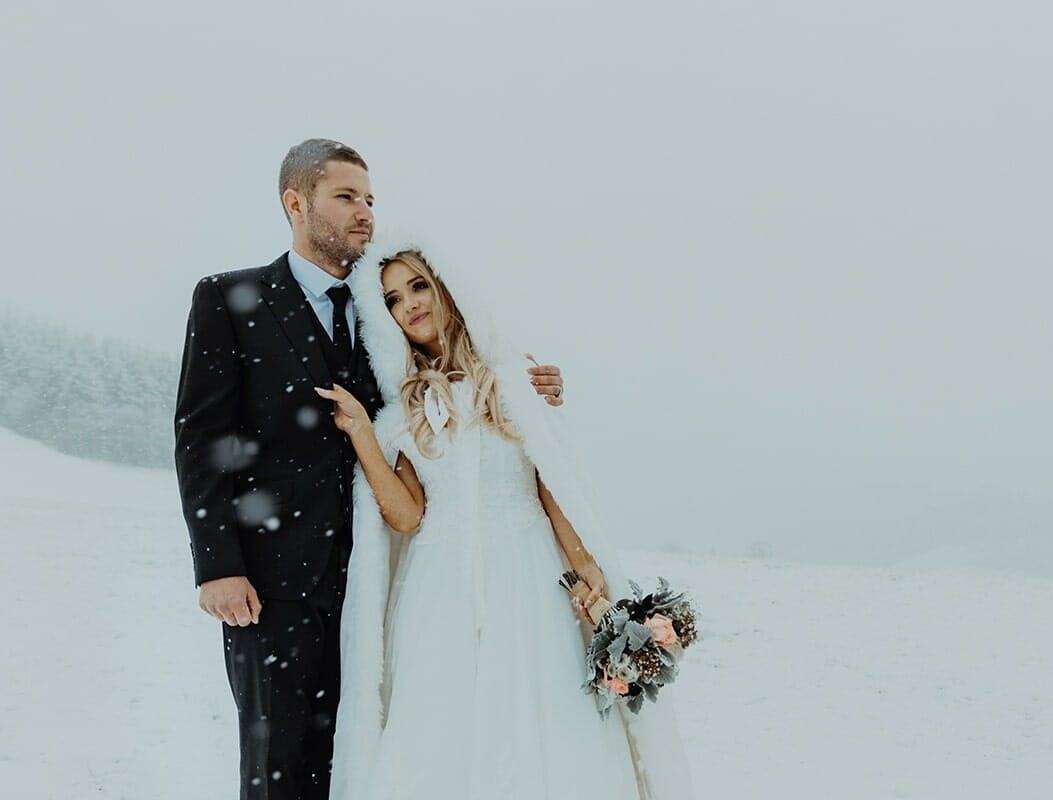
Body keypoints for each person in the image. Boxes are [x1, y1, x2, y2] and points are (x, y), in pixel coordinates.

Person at [174, 138, 564, 800]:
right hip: (273, 587)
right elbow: (202, 437)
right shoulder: (230, 299)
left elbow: (442, 388)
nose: (365, 212)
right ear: (296, 204)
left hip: (376, 584)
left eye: (371, 199)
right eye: (347, 196)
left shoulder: (383, 316)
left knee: (359, 768)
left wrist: (526, 383)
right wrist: (218, 564)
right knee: (278, 768)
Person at [317, 242, 694, 799]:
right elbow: (406, 515)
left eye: (419, 286)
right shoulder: (403, 405)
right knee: (443, 729)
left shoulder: (514, 377)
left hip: (527, 573)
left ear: (446, 287)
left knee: (541, 719)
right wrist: (362, 435)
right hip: (439, 587)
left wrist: (586, 567)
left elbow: (549, 485)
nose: (410, 305)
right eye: (393, 299)